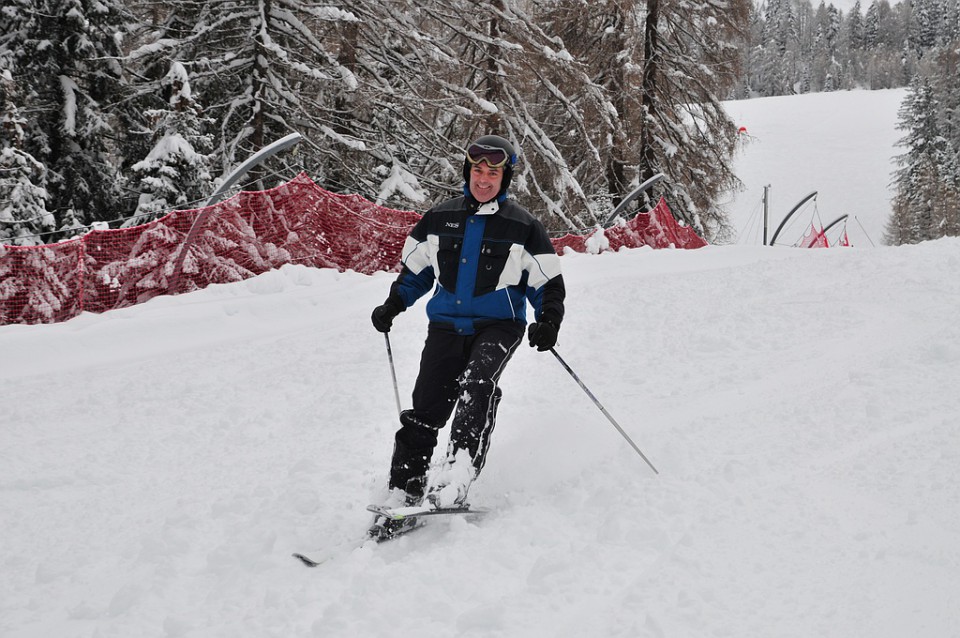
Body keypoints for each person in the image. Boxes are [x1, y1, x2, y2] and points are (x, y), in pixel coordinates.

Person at [370, 134, 566, 512]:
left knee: (477, 385)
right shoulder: (440, 217)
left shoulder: (523, 226)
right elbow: (417, 272)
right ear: (468, 171)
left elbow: (546, 281)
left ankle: (454, 477)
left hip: (498, 325)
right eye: (478, 169)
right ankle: (404, 489)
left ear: (504, 178)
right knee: (425, 407)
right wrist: (394, 303)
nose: (483, 179)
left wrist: (548, 319)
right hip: (445, 324)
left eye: (493, 172)